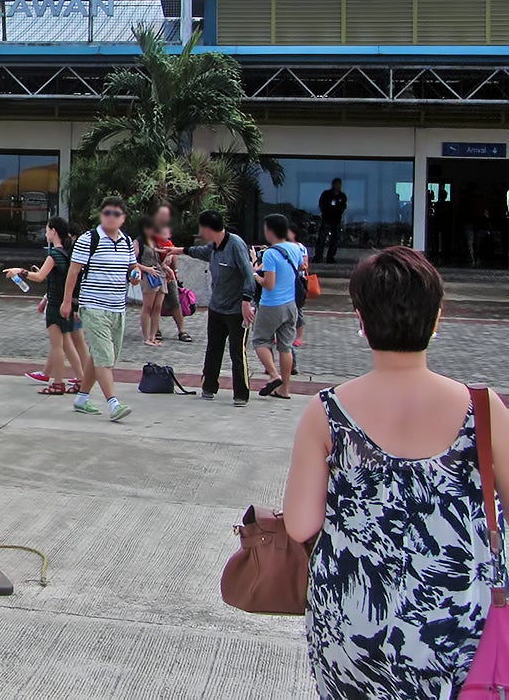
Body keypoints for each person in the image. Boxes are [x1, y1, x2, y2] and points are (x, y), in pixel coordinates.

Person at [284, 247, 508, 698]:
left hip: (353, 622)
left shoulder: (327, 413)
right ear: (437, 317)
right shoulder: (482, 410)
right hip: (459, 622)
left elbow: (300, 524)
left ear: (361, 320)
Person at [60, 196, 139, 422]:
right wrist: (67, 301)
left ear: (123, 218)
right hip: (93, 306)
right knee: (104, 356)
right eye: (107, 213)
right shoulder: (89, 239)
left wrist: (135, 275)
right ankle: (113, 403)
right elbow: (73, 271)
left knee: (100, 356)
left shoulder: (125, 241)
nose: (111, 218)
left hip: (117, 308)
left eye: (116, 214)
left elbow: (132, 267)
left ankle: (82, 398)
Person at [3, 216, 88, 396]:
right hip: (68, 302)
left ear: (54, 231)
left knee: (58, 345)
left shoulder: (54, 254)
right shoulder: (68, 253)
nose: (46, 233)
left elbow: (40, 277)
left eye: (48, 229)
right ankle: (81, 380)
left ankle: (58, 383)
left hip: (56, 303)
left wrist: (20, 271)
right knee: (67, 344)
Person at [180, 210, 256, 406]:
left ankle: (241, 393)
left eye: (201, 228)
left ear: (208, 228)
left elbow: (249, 276)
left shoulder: (236, 245)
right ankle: (209, 386)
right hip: (217, 308)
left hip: (236, 310)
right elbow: (203, 253)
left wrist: (246, 302)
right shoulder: (214, 246)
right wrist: (179, 251)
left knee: (237, 352)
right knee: (213, 348)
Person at [251, 214, 303, 399]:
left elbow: (269, 283)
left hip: (271, 305)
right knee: (285, 347)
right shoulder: (295, 249)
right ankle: (285, 389)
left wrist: (255, 275)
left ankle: (274, 375)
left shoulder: (271, 253)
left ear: (270, 230)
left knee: (260, 341)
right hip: (291, 305)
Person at [151, 202, 193, 342]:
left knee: (175, 302)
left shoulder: (166, 240)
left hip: (169, 275)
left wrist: (174, 271)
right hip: (155, 274)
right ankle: (155, 330)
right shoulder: (150, 237)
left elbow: (172, 253)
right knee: (156, 304)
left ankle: (182, 331)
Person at [135, 217, 168, 347]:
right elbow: (132, 260)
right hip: (149, 274)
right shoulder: (138, 242)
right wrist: (146, 269)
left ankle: (154, 335)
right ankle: (146, 336)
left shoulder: (155, 241)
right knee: (148, 306)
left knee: (158, 307)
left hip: (160, 273)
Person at [316, 177, 348, 263]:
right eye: (336, 184)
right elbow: (322, 204)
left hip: (336, 220)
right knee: (322, 239)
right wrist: (325, 211)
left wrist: (339, 210)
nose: (338, 186)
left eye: (339, 184)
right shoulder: (327, 194)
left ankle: (330, 257)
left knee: (334, 240)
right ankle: (318, 257)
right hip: (326, 219)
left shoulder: (342, 196)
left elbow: (343, 206)